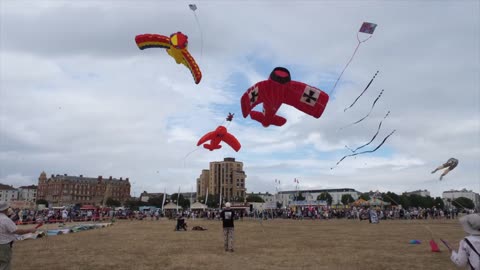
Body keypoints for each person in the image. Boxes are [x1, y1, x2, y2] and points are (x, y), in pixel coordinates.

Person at [0, 202, 37, 270]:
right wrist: (30, 230)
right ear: (6, 209)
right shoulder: (5, 220)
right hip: (3, 246)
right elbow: (17, 231)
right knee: (4, 265)